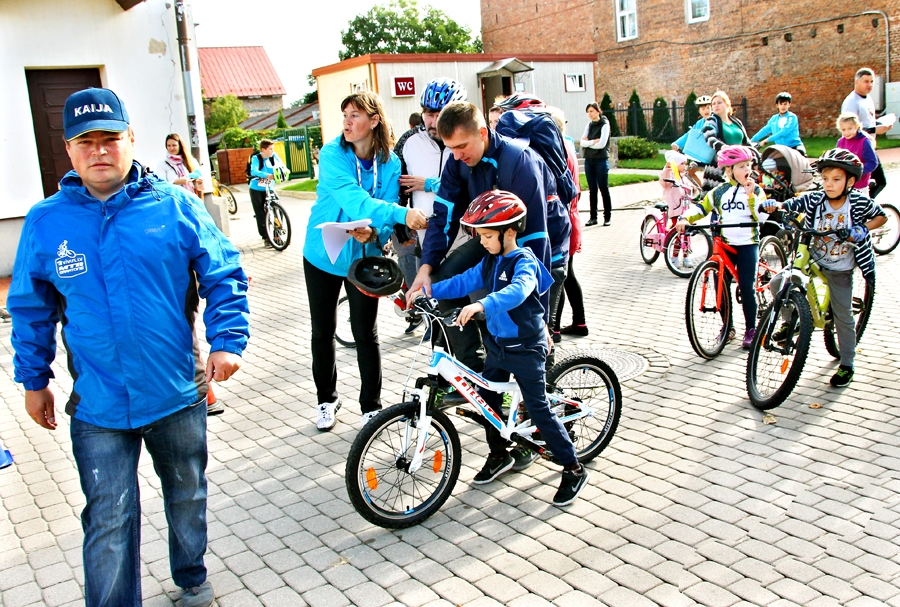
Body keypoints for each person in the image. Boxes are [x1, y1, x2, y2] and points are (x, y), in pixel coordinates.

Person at [7, 87, 250, 607]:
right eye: (85, 141)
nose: (99, 150)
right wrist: (34, 380)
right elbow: (30, 308)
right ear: (68, 151)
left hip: (177, 394)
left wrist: (227, 340)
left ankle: (191, 577)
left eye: (110, 138)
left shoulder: (175, 205)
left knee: (186, 495)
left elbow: (225, 273)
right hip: (98, 405)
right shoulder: (47, 222)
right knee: (108, 516)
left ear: (130, 140)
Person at [429, 191, 589, 506]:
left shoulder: (524, 262)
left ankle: (573, 467)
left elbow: (517, 292)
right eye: (481, 235)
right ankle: (499, 455)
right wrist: (425, 290)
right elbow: (462, 281)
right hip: (498, 347)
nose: (483, 241)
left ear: (510, 232)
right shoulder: (490, 261)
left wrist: (482, 305)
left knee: (539, 409)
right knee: (486, 402)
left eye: (488, 235)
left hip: (526, 348)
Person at [406, 101, 570, 375]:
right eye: (451, 148)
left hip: (542, 249)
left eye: (462, 147)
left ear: (483, 134)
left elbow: (536, 237)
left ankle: (543, 401)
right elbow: (443, 216)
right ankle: (476, 372)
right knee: (441, 279)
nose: (456, 156)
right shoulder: (457, 161)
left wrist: (537, 312)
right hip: (494, 239)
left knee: (532, 328)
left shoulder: (520, 162)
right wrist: (424, 270)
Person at [304, 91, 428, 431]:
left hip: (365, 256)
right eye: (344, 114)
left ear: (374, 121)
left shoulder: (390, 163)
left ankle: (371, 406)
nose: (346, 120)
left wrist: (374, 231)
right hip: (322, 254)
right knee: (322, 331)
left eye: (355, 115)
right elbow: (354, 198)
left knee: (365, 333)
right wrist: (402, 213)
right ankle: (326, 399)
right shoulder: (332, 154)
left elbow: (384, 208)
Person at [762, 149, 886, 386]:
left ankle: (847, 364)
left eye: (836, 180)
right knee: (780, 281)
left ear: (850, 181)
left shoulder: (858, 201)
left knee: (843, 316)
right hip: (814, 258)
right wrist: (775, 204)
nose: (829, 184)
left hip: (841, 266)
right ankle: (790, 319)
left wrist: (862, 229)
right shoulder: (816, 198)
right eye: (826, 179)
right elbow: (792, 203)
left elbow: (881, 217)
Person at [393, 78, 467, 333]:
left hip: (464, 235)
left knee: (465, 298)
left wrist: (431, 183)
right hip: (427, 236)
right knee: (435, 299)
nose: (433, 121)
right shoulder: (409, 142)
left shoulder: (465, 141)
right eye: (428, 113)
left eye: (439, 114)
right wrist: (401, 220)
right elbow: (398, 186)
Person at [676, 146, 769, 348]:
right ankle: (728, 327)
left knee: (746, 287)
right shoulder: (720, 192)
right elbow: (701, 207)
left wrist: (751, 196)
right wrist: (685, 217)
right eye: (742, 166)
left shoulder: (756, 190)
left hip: (747, 244)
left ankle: (752, 329)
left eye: (749, 165)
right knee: (721, 285)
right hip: (726, 244)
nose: (747, 170)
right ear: (729, 170)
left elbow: (761, 216)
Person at [547, 106, 588, 340]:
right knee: (567, 273)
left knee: (560, 273)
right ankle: (578, 322)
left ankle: (556, 327)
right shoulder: (567, 145)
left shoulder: (557, 148)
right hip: (570, 216)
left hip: (563, 218)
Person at [841, 67, 893, 198]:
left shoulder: (868, 98)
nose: (869, 85)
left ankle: (866, 203)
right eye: (866, 81)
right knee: (880, 180)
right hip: (859, 147)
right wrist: (875, 130)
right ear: (857, 82)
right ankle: (866, 205)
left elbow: (867, 121)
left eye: (872, 81)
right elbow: (850, 128)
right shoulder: (851, 101)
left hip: (869, 144)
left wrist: (880, 124)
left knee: (879, 181)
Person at [248, 139, 285, 247]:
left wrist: (284, 171)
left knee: (277, 209)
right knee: (261, 214)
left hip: (269, 188)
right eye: (270, 149)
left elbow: (282, 166)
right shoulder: (256, 158)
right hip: (256, 189)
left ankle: (276, 236)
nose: (272, 151)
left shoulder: (274, 156)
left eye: (273, 149)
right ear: (263, 149)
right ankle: (266, 237)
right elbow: (253, 171)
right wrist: (265, 175)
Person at [581, 102, 611, 226]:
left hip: (601, 160)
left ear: (598, 111)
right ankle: (593, 217)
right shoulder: (589, 125)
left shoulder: (604, 124)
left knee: (603, 188)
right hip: (589, 160)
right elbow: (582, 142)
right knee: (592, 190)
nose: (590, 114)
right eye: (588, 112)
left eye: (592, 111)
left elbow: (602, 144)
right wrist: (593, 142)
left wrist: (589, 143)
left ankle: (607, 217)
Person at [701, 91, 752, 164]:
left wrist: (754, 153)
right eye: (713, 104)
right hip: (724, 162)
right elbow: (709, 138)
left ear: (727, 105)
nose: (716, 105)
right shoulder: (711, 121)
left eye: (719, 103)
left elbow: (747, 141)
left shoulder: (736, 121)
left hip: (741, 160)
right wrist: (723, 147)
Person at [836, 113, 879, 191]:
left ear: (857, 126)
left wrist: (858, 171)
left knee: (860, 203)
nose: (847, 132)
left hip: (860, 184)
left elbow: (872, 162)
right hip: (844, 183)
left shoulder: (864, 141)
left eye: (850, 128)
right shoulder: (840, 142)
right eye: (843, 129)